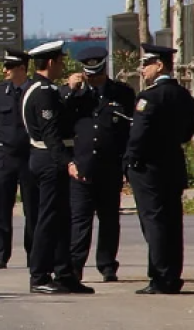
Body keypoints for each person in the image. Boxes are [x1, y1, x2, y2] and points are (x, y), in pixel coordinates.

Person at [22, 40, 94, 294]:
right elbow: (51, 134)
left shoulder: (48, 89)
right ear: (51, 63)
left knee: (63, 219)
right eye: (61, 61)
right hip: (49, 160)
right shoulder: (43, 92)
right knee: (48, 219)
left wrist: (70, 91)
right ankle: (39, 275)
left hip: (52, 158)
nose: (63, 65)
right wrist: (68, 162)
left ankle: (64, 273)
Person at [124, 43, 194, 294]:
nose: (142, 69)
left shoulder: (149, 97)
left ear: (159, 65)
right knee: (172, 222)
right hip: (172, 163)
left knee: (154, 222)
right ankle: (171, 275)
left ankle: (160, 276)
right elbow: (187, 132)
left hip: (149, 167)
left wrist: (130, 161)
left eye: (146, 64)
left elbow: (139, 134)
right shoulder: (183, 95)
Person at [64, 45, 135, 283]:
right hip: (81, 166)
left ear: (104, 69)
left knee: (109, 220)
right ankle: (75, 267)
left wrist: (126, 166)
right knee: (80, 221)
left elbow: (127, 131)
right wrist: (69, 90)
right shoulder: (77, 96)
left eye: (97, 75)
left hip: (110, 167)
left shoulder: (122, 93)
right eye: (89, 76)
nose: (93, 80)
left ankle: (107, 265)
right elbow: (59, 123)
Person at [0, 48, 39, 270]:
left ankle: (33, 254)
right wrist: (3, 143)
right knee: (0, 209)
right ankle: (0, 255)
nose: (4, 70)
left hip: (30, 157)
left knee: (33, 209)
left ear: (21, 69)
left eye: (9, 67)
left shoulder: (35, 92)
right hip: (6, 157)